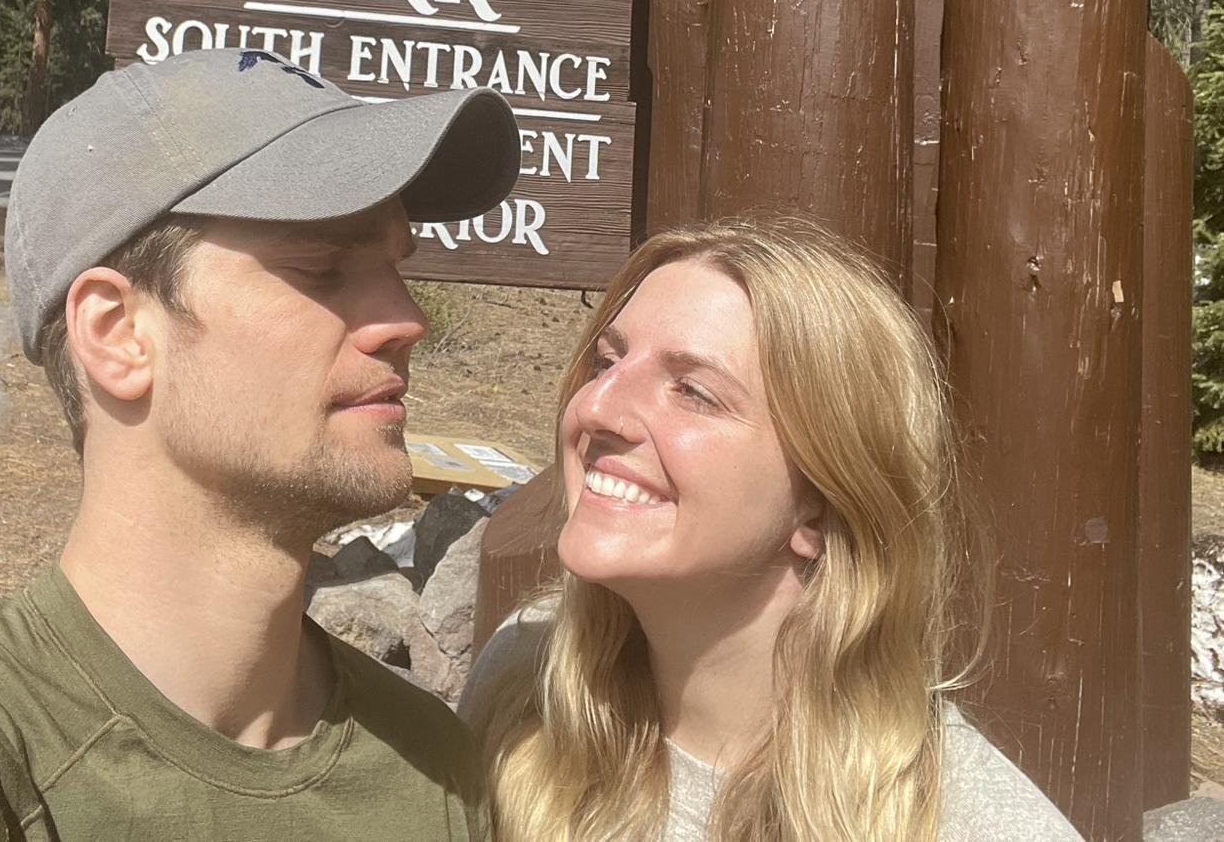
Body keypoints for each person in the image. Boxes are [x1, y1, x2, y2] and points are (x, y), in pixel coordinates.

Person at [0, 46, 520, 840]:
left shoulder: (436, 776)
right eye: (322, 268)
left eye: (394, 267)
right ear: (117, 335)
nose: (409, 321)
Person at [459, 215, 1084, 842]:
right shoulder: (525, 686)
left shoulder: (975, 825)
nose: (594, 407)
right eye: (606, 362)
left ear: (822, 504)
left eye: (693, 392)